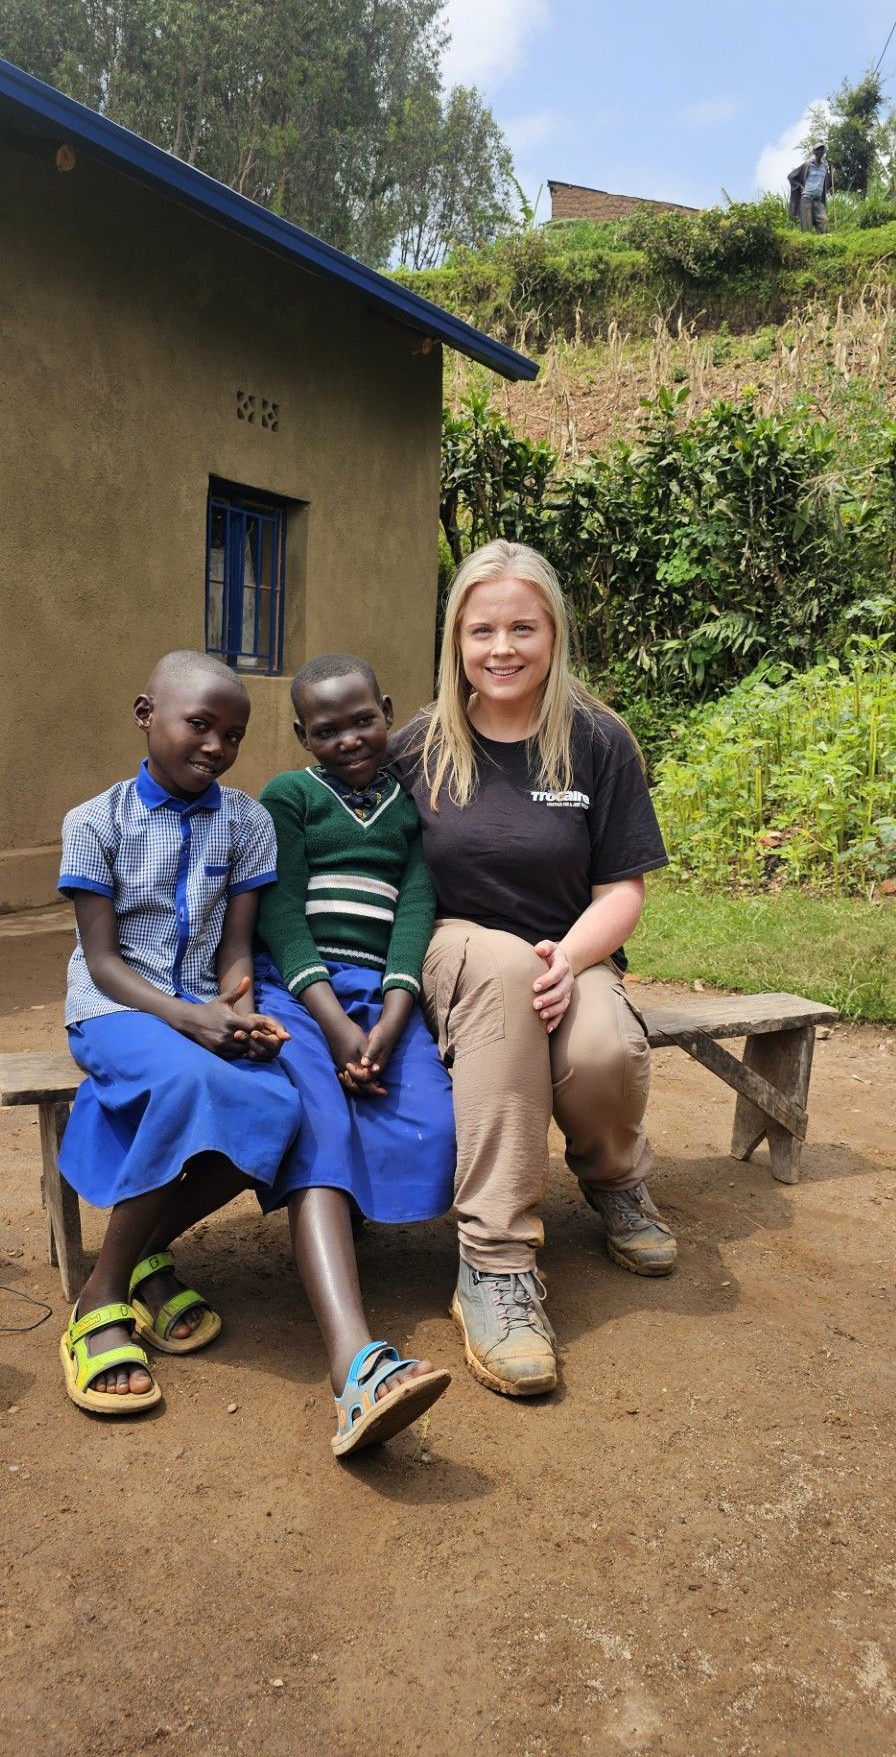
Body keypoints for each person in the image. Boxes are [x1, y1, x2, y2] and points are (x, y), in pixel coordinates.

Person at [389, 540, 676, 1400]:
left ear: (553, 633)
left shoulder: (598, 740)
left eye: (523, 626)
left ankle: (616, 1181)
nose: (502, 647)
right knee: (505, 966)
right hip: (454, 952)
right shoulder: (416, 747)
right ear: (455, 640)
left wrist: (577, 955)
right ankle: (495, 1265)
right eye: (482, 630)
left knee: (600, 1048)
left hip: (571, 945)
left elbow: (621, 889)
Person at [57, 650, 300, 1417]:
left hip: (201, 1005)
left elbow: (236, 951)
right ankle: (99, 1295)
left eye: (232, 735)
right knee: (186, 1079)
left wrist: (238, 1011)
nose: (215, 747)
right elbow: (101, 961)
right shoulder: (95, 822)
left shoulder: (247, 822)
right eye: (200, 724)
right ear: (146, 716)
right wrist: (188, 1019)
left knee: (280, 1107)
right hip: (114, 1008)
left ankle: (142, 1254)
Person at [255, 654, 453, 1455]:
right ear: (304, 735)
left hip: (382, 997)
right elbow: (280, 915)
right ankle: (357, 1368)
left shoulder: (412, 810)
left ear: (388, 711)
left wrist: (393, 1017)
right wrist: (335, 1027)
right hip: (300, 998)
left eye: (362, 720)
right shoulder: (291, 797)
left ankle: (349, 1227)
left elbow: (417, 911)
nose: (347, 740)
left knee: (437, 1127)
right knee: (321, 1129)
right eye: (325, 730)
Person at [788, 142, 833, 232]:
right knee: (807, 224)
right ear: (814, 152)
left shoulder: (824, 167)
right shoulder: (807, 165)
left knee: (824, 220)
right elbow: (791, 176)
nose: (820, 152)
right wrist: (800, 186)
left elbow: (828, 184)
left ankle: (823, 241)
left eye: (822, 150)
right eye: (818, 150)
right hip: (806, 198)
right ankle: (807, 242)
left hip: (818, 200)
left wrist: (831, 169)